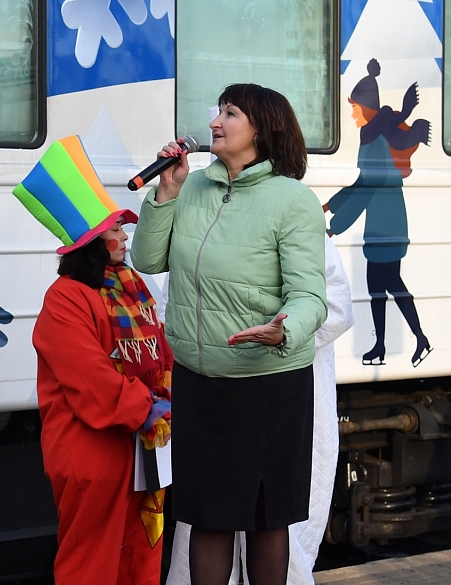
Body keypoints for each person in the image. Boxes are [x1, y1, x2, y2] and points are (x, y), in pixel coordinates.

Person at [130, 83, 327, 585]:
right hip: (200, 383)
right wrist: (166, 192)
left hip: (269, 387)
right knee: (207, 517)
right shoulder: (191, 187)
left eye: (231, 112)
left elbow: (310, 297)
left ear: (262, 129)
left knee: (265, 520)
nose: (216, 120)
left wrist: (283, 331)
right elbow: (147, 260)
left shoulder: (292, 200)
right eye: (218, 110)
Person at [14, 136, 172, 584]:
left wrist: (172, 395)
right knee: (92, 566)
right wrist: (148, 409)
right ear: (90, 244)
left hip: (142, 448)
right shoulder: (64, 299)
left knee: (141, 555)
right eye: (115, 231)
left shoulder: (129, 285)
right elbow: (90, 378)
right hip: (94, 456)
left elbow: (159, 351)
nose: (124, 237)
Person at [166, 233, 354, 585]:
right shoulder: (207, 214)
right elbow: (173, 303)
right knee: (210, 517)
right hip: (218, 393)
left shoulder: (299, 217)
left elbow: (336, 306)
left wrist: (277, 338)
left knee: (274, 518)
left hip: (284, 393)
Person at [324, 59, 431, 367]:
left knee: (384, 285)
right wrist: (332, 204)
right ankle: (393, 344)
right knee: (384, 286)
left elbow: (367, 188)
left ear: (366, 109)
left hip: (385, 224)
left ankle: (402, 342)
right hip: (387, 220)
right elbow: (360, 184)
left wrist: (336, 225)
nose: (353, 113)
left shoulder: (372, 141)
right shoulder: (372, 137)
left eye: (355, 107)